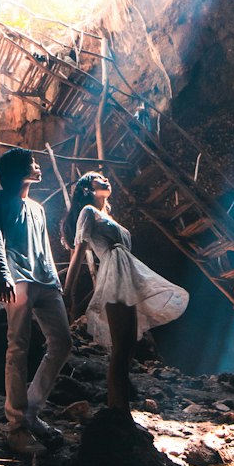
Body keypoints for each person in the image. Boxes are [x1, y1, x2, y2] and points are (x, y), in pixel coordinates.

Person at [62, 171, 188, 411]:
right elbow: (78, 253)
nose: (106, 178)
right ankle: (117, 412)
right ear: (87, 189)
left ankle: (122, 408)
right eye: (98, 178)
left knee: (128, 347)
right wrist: (67, 292)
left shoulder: (107, 215)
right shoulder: (88, 212)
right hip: (114, 277)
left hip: (128, 276)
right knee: (121, 348)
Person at [0, 147, 71, 455]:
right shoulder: (1, 199)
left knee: (62, 342)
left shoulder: (36, 207)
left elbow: (44, 248)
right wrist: (3, 274)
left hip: (45, 280)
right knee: (17, 347)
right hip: (18, 279)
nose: (38, 167)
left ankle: (31, 411)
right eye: (33, 163)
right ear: (20, 169)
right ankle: (17, 426)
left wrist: (55, 282)